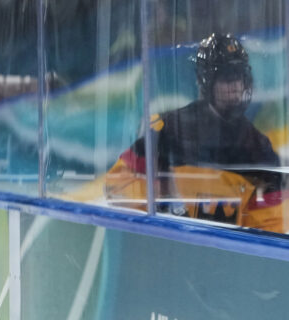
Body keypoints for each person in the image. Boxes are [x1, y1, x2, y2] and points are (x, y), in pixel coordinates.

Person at [105, 33, 285, 233]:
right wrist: (156, 197)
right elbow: (115, 188)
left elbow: (271, 227)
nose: (236, 86)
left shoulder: (259, 149)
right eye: (226, 77)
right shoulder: (167, 130)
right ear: (206, 81)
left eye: (240, 76)